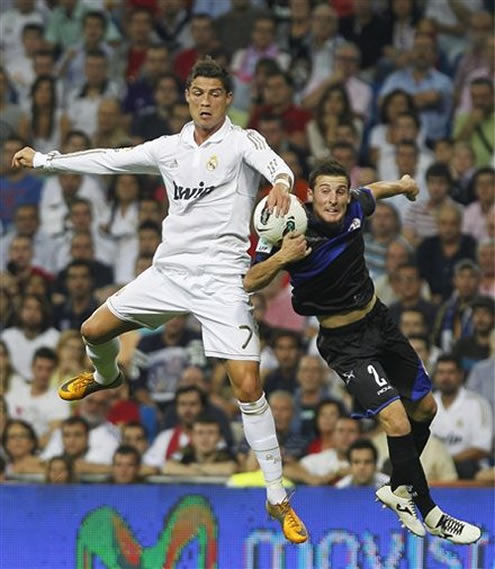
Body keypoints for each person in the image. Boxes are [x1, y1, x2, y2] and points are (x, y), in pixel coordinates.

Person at [13, 56, 307, 543]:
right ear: (188, 97)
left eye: (215, 94)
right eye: (199, 93)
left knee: (247, 385)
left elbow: (276, 166)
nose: (207, 102)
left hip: (221, 280)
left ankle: (277, 497)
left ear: (228, 99)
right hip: (169, 272)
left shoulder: (242, 141)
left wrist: (279, 185)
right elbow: (109, 158)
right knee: (92, 331)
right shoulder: (169, 148)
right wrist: (46, 160)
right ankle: (107, 376)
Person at [244, 160, 481, 543]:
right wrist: (283, 258)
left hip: (380, 323)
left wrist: (403, 185)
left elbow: (374, 191)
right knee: (398, 421)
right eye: (325, 191)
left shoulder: (354, 205)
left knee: (426, 409)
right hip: (345, 344)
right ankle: (432, 512)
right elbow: (250, 280)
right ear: (310, 195)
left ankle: (398, 488)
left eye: (340, 190)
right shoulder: (291, 228)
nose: (334, 199)